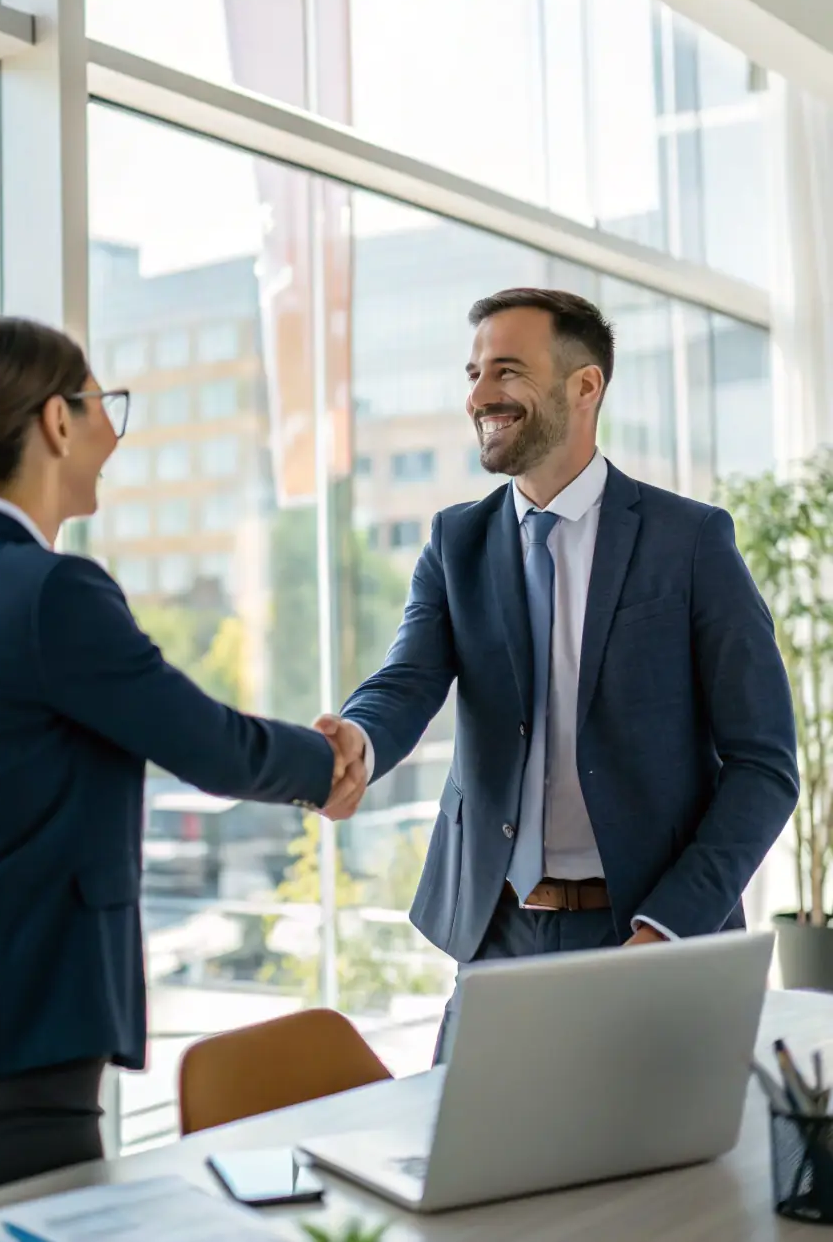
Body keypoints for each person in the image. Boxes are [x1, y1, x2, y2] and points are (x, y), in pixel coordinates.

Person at [0, 315, 365, 1216]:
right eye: (102, 407)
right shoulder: (53, 591)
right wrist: (327, 764)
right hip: (4, 1071)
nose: (110, 433)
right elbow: (205, 741)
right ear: (57, 421)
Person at [317, 288, 799, 1064]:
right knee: (475, 1171)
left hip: (647, 930)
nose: (478, 396)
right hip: (497, 934)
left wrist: (670, 924)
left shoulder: (691, 542)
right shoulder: (456, 542)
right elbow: (406, 678)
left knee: (655, 1181)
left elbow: (765, 765)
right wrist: (359, 741)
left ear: (585, 386)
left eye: (505, 370)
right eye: (473, 372)